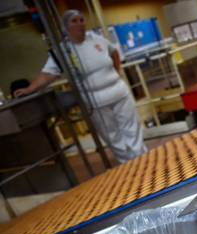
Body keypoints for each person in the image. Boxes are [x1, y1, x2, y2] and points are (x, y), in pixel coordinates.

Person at [15, 9, 146, 164]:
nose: (80, 24)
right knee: (111, 135)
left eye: (81, 20)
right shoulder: (63, 51)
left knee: (131, 128)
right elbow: (48, 74)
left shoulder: (96, 38)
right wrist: (30, 88)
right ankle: (128, 162)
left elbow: (113, 52)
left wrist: (117, 72)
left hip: (119, 92)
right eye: (74, 21)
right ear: (66, 26)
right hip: (95, 100)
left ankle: (142, 158)